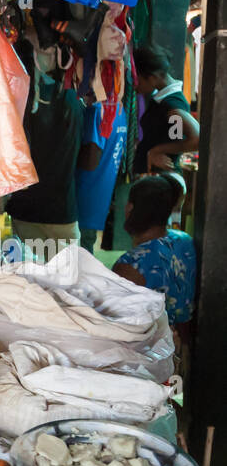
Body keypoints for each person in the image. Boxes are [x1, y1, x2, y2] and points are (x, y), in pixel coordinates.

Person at [5, 54, 86, 254]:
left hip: (26, 210)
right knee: (66, 282)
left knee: (30, 279)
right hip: (63, 211)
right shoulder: (74, 100)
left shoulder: (24, 100)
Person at [112, 174, 196, 331]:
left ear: (129, 208)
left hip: (150, 350)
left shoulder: (129, 266)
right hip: (182, 342)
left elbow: (120, 328)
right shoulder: (185, 240)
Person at [132, 45, 199, 174]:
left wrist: (157, 150)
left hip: (160, 179)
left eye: (137, 80)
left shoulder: (171, 106)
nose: (135, 85)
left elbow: (196, 138)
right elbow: (175, 137)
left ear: (151, 77)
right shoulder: (164, 100)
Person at [75, 100, 128, 253]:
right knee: (85, 253)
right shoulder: (119, 109)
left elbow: (90, 161)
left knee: (75, 258)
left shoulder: (98, 111)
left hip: (83, 196)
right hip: (98, 197)